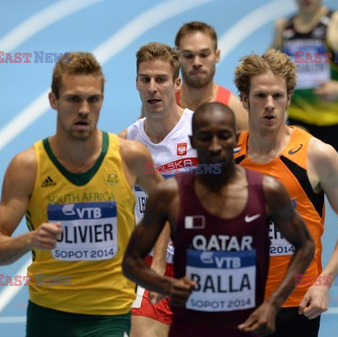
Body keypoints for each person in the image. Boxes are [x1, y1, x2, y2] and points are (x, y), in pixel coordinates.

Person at [0, 52, 163, 337]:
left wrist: (160, 263)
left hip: (111, 314)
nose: (83, 109)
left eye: (93, 99)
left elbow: (170, 206)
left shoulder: (130, 157)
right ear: (53, 100)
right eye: (73, 99)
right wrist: (29, 239)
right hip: (48, 315)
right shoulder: (28, 167)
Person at [123, 102, 315, 337]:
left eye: (223, 136)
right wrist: (167, 286)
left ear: (234, 141)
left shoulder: (267, 191)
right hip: (190, 330)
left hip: (246, 329)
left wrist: (273, 304)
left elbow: (305, 245)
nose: (214, 146)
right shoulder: (169, 195)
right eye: (205, 137)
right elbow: (130, 262)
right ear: (193, 142)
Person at [233, 49, 338, 336]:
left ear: (289, 98)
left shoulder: (317, 154)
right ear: (244, 99)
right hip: (237, 298)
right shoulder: (226, 156)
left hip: (296, 302)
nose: (270, 105)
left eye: (277, 96)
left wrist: (323, 283)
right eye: (260, 96)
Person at [120, 42, 199, 337]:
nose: (153, 87)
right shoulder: (126, 143)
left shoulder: (201, 135)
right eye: (145, 79)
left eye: (161, 79)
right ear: (137, 84)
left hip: (199, 263)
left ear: (177, 83)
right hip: (150, 267)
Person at [271, 0, 338, 170]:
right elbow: (267, 69)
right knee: (300, 184)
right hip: (298, 118)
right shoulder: (284, 28)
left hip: (334, 120)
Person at [171, 21, 248, 132]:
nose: (197, 62)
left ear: (217, 56)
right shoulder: (163, 106)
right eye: (188, 55)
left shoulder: (236, 111)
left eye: (204, 54)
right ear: (177, 57)